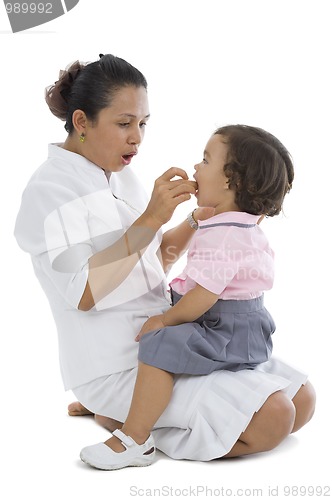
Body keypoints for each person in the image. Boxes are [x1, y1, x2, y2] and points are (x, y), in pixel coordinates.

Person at [14, 54, 315, 470]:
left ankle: (126, 418)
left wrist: (193, 221)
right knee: (274, 418)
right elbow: (83, 293)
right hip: (120, 362)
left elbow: (152, 263)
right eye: (124, 124)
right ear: (81, 122)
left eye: (142, 124)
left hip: (173, 339)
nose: (136, 138)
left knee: (302, 400)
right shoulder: (48, 192)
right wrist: (152, 218)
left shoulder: (121, 176)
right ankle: (126, 422)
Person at [79, 124, 297, 470]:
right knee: (167, 342)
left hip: (221, 327)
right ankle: (120, 412)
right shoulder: (241, 224)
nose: (196, 168)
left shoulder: (222, 235)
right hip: (247, 328)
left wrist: (163, 321)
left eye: (206, 160)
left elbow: (203, 298)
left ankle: (135, 436)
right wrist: (194, 219)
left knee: (157, 345)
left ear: (230, 181)